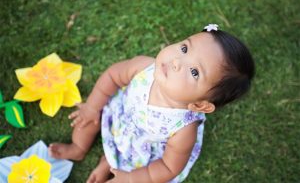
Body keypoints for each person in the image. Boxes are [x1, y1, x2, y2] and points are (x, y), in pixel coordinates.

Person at [48, 24, 255, 183]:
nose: (176, 61)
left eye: (194, 72)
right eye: (184, 48)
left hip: (142, 147)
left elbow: (168, 167)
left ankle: (109, 163)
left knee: (136, 174)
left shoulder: (183, 130)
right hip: (119, 115)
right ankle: (78, 148)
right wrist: (93, 107)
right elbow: (113, 76)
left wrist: (130, 179)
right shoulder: (144, 67)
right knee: (87, 121)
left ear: (201, 105)